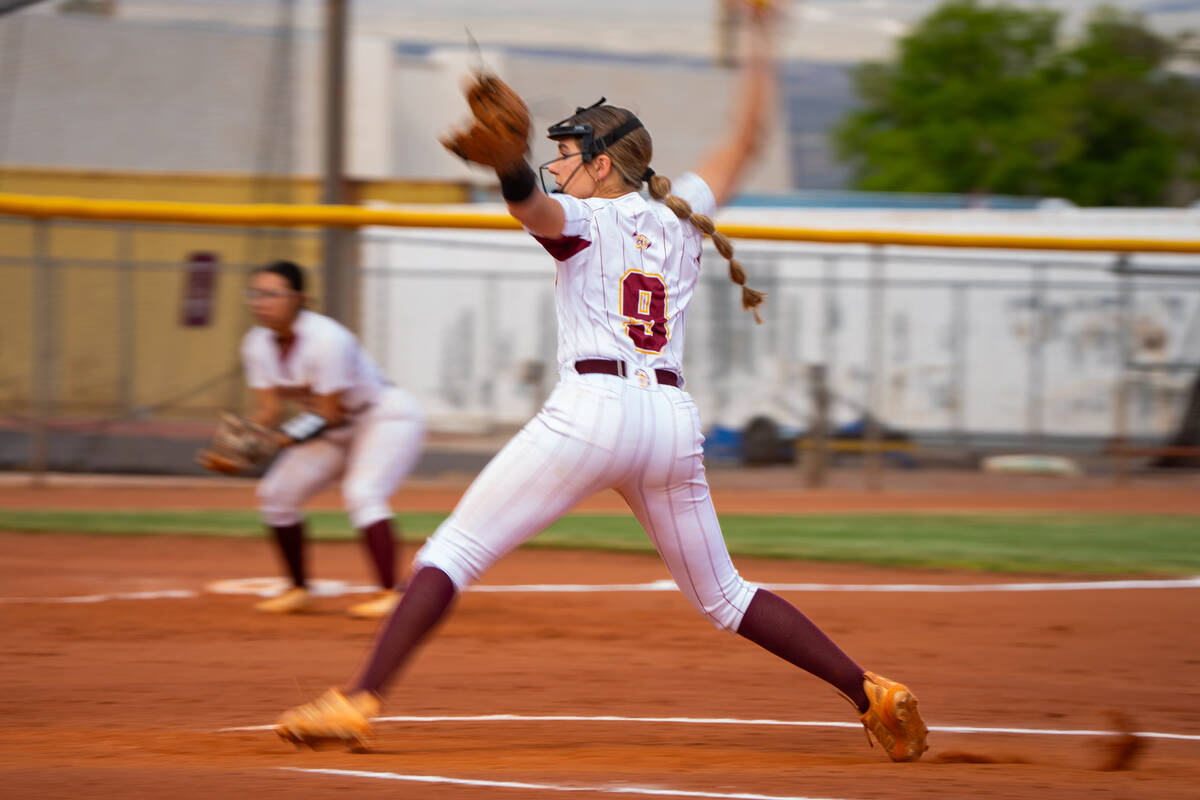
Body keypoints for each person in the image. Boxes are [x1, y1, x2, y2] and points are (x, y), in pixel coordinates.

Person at [275, 3, 927, 761]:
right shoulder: (682, 215)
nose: (557, 166)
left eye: (567, 154)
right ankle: (870, 693)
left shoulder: (587, 220)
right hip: (671, 422)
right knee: (725, 596)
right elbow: (747, 139)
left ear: (605, 164)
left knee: (453, 550)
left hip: (594, 411)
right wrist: (760, 39)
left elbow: (531, 205)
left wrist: (510, 165)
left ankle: (358, 701)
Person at [199, 260, 426, 619]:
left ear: (299, 298)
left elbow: (327, 413)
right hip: (335, 429)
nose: (260, 302)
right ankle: (298, 590)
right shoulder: (256, 344)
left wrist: (271, 443)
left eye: (272, 294)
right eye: (255, 294)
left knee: (363, 493)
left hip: (383, 417)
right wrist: (244, 445)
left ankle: (390, 593)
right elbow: (268, 410)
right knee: (276, 494)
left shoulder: (326, 339)